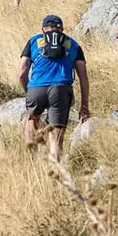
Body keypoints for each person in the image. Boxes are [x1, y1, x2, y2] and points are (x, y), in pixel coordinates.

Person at [17, 14, 91, 164]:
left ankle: (31, 162)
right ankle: (55, 170)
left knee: (32, 120)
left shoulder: (33, 42)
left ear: (43, 29)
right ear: (62, 29)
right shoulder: (73, 45)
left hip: (36, 87)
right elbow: (83, 77)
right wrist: (84, 106)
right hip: (61, 89)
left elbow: (21, 73)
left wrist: (29, 92)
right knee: (56, 133)